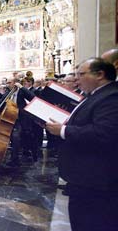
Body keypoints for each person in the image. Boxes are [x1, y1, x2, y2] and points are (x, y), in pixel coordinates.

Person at [45, 58, 118, 231]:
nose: (76, 79)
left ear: (100, 74)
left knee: (89, 223)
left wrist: (63, 130)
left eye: (81, 74)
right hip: (84, 177)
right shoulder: (96, 95)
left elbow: (104, 133)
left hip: (95, 180)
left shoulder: (111, 97)